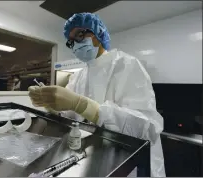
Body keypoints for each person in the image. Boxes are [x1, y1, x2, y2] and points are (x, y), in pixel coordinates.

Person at [28, 13, 165, 177]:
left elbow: (147, 129)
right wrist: (50, 105)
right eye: (71, 42)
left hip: (129, 165)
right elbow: (70, 114)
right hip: (91, 159)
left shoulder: (127, 66)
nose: (76, 45)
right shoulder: (79, 75)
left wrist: (86, 106)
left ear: (98, 32)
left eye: (79, 35)